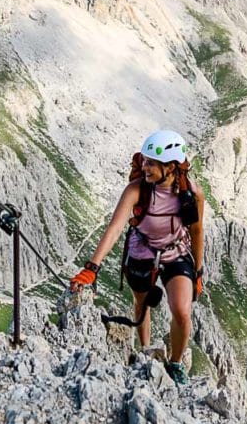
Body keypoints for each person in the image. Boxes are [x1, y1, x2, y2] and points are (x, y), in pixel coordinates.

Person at [70, 129, 205, 386]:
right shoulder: (136, 190)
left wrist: (197, 272)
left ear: (172, 166)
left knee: (182, 310)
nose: (145, 167)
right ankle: (146, 350)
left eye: (152, 163)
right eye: (144, 160)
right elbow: (115, 228)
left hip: (175, 252)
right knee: (141, 305)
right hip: (141, 251)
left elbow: (197, 231)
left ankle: (175, 364)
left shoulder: (193, 194)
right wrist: (92, 267)